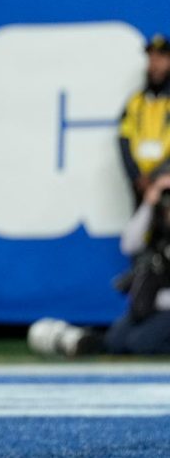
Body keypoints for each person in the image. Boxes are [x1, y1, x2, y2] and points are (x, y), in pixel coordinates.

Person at [28, 171, 170, 357]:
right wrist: (149, 204)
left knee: (140, 344)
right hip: (150, 305)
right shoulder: (158, 228)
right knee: (115, 342)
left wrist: (156, 299)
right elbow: (129, 244)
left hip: (164, 305)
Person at [118, 35, 170, 202]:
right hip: (140, 183)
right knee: (140, 226)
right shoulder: (135, 102)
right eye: (151, 58)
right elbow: (124, 139)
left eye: (161, 58)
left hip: (166, 180)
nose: (154, 65)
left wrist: (158, 175)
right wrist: (136, 176)